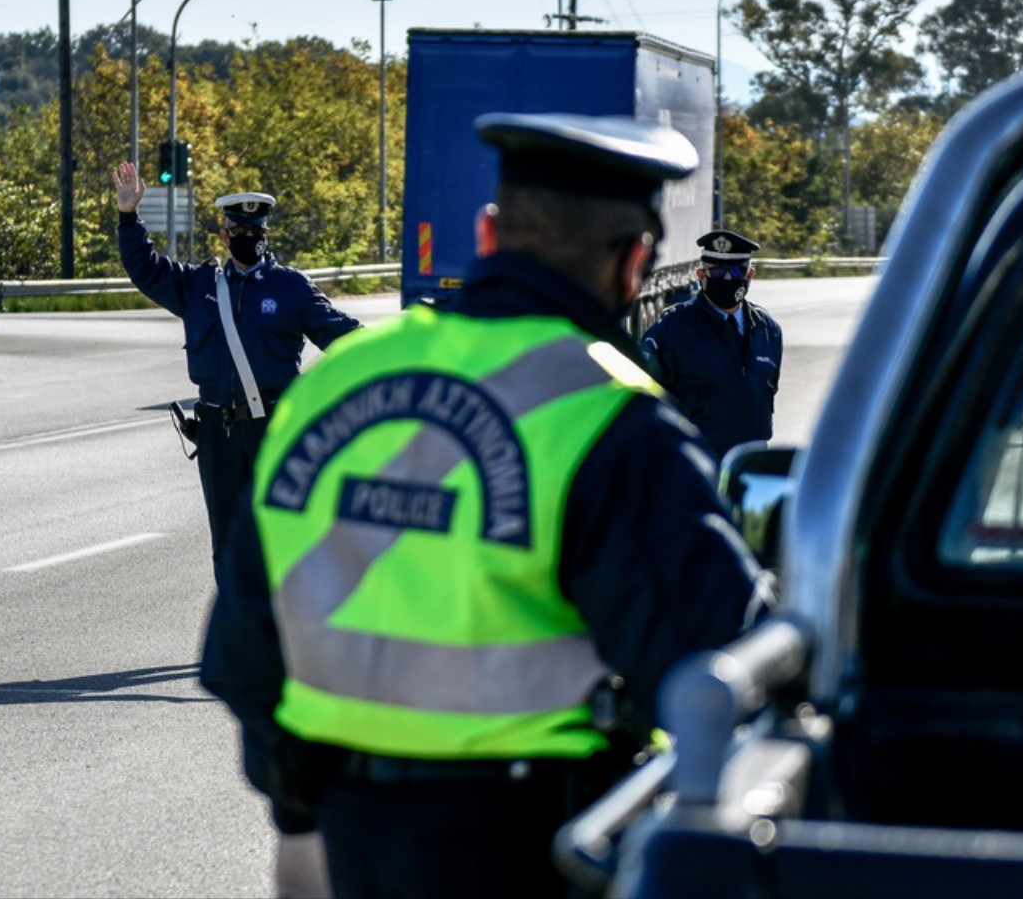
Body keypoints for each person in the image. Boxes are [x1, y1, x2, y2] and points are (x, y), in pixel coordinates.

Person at [199, 114, 775, 899]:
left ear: (487, 233)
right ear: (636, 262)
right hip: (533, 847)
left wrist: (304, 814)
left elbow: (239, 650)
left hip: (347, 838)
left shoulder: (338, 380)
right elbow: (719, 666)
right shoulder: (612, 417)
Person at [111, 163, 361, 564]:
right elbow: (145, 268)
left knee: (279, 542)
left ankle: (280, 606)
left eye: (255, 231)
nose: (247, 237)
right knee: (228, 547)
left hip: (274, 429)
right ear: (224, 234)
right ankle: (235, 605)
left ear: (267, 233)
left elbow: (346, 338)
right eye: (238, 230)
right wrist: (128, 216)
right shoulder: (199, 286)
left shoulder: (290, 288)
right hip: (217, 435)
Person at [641, 229, 784, 457]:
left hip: (748, 464)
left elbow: (768, 393)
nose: (727, 279)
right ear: (701, 275)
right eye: (717, 271)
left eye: (737, 271)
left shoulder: (768, 330)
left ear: (750, 275)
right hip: (694, 463)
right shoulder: (673, 329)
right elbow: (643, 400)